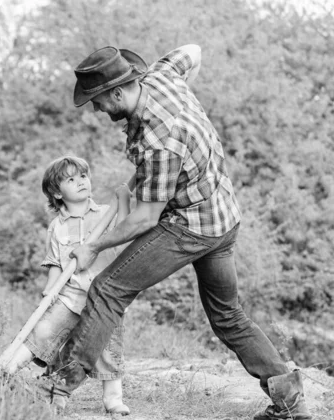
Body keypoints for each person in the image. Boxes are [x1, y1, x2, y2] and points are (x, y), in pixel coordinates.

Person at [38, 45, 312, 420]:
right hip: (223, 216)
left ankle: (59, 384)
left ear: (118, 93)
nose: (96, 109)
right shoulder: (161, 77)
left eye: (97, 101)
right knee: (228, 316)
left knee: (108, 288)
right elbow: (194, 51)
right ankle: (289, 402)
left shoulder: (159, 140)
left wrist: (92, 246)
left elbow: (144, 219)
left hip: (189, 227)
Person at [0, 155, 133, 414]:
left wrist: (124, 199)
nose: (81, 181)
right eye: (71, 180)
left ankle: (113, 399)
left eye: (83, 176)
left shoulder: (106, 213)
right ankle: (5, 370)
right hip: (70, 296)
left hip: (106, 297)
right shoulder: (56, 227)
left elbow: (126, 232)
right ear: (57, 194)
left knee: (108, 348)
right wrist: (49, 291)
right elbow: (55, 263)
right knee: (44, 330)